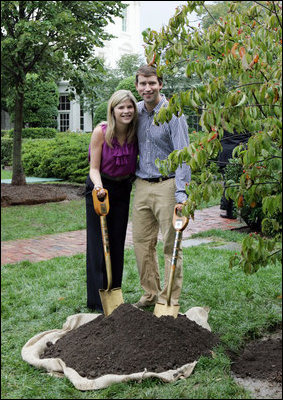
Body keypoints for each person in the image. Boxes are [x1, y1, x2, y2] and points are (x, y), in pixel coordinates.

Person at [132, 65, 191, 308]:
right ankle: (150, 294)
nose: (147, 88)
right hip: (142, 185)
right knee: (142, 244)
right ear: (136, 85)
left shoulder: (173, 114)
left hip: (167, 185)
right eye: (142, 84)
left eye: (152, 83)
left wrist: (181, 192)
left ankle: (169, 299)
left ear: (161, 84)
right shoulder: (134, 111)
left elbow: (183, 154)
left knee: (170, 245)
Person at [85, 90, 138, 313]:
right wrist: (99, 189)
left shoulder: (135, 132)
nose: (126, 111)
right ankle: (97, 300)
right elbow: (94, 168)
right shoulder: (101, 132)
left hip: (123, 188)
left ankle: (114, 291)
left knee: (117, 241)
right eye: (121, 107)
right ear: (112, 110)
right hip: (100, 188)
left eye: (129, 107)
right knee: (99, 244)